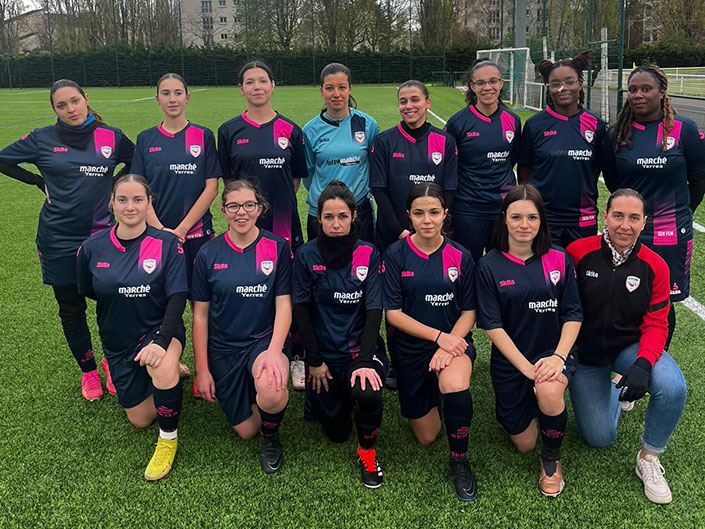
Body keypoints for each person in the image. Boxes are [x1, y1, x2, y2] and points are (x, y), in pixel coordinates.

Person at [0, 79, 134, 401]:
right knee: (71, 308)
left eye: (74, 101)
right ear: (54, 109)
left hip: (103, 238)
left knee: (113, 303)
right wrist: (36, 181)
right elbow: (3, 159)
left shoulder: (111, 137)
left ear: (86, 99)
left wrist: (116, 186)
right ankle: (89, 371)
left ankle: (113, 362)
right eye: (62, 105)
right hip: (57, 239)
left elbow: (137, 160)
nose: (70, 109)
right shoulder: (41, 139)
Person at [566, 188, 687, 505]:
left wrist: (644, 364)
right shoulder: (578, 252)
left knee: (673, 386)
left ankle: (648, 458)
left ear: (644, 222)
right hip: (588, 355)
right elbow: (563, 309)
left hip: (628, 349)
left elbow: (657, 323)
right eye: (618, 215)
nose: (625, 225)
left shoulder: (655, 265)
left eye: (634, 218)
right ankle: (612, 387)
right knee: (599, 438)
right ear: (604, 217)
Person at [76, 174, 188, 481]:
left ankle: (167, 439)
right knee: (140, 419)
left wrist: (163, 341)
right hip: (118, 341)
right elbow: (90, 291)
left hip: (159, 331)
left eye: (138, 199)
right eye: (122, 199)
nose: (130, 206)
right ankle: (162, 376)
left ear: (149, 203)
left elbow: (178, 297)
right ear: (111, 204)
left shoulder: (167, 244)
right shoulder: (91, 248)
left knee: (162, 368)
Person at [475, 184, 582, 497]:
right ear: (504, 219)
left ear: (541, 221)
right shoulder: (488, 266)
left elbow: (573, 315)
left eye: (532, 217)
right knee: (524, 444)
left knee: (549, 392)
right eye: (517, 217)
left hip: (553, 354)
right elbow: (492, 325)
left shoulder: (559, 259)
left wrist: (559, 358)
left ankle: (552, 460)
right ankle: (537, 403)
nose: (524, 225)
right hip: (513, 362)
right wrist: (525, 368)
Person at [383, 183, 477, 502]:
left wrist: (448, 342)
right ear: (408, 215)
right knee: (426, 436)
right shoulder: (395, 255)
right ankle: (433, 395)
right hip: (412, 349)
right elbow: (393, 314)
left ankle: (460, 461)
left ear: (445, 215)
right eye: (419, 213)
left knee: (454, 385)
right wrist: (436, 337)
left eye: (434, 212)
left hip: (453, 345)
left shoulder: (460, 255)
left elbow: (469, 312)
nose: (427, 220)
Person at [191, 179, 293, 475]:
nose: (242, 212)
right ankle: (254, 396)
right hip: (224, 348)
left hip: (264, 341)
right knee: (246, 429)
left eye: (249, 205)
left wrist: (275, 351)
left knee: (272, 390)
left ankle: (271, 438)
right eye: (234, 206)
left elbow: (284, 305)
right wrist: (202, 369)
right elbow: (200, 315)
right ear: (223, 210)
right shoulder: (208, 255)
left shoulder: (277, 247)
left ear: (260, 209)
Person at [218, 61, 307, 390]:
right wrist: (247, 211)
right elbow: (228, 181)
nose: (256, 87)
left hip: (283, 225)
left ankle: (296, 357)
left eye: (262, 81)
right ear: (241, 89)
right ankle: (246, 351)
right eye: (249, 82)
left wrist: (274, 206)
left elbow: (295, 178)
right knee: (248, 286)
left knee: (290, 290)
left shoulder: (290, 130)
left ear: (272, 85)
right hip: (243, 224)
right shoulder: (228, 131)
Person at [601, 64, 705, 346]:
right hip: (627, 230)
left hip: (670, 233)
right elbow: (614, 184)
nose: (638, 95)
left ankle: (654, 358)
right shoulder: (617, 135)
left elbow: (698, 180)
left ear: (661, 92)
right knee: (622, 294)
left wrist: (681, 214)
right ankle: (623, 360)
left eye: (646, 89)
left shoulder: (685, 130)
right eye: (633, 90)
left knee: (662, 303)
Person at [293, 181, 387, 488]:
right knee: (335, 432)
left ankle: (368, 451)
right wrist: (314, 361)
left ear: (354, 216)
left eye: (342, 216)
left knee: (367, 390)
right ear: (318, 218)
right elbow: (302, 311)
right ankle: (338, 402)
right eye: (329, 217)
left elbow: (375, 310)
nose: (336, 224)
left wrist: (364, 360)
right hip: (324, 356)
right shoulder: (306, 255)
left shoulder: (369, 253)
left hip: (360, 350)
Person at [131, 72, 221, 394]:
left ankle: (202, 370)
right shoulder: (145, 140)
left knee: (201, 306)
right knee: (161, 303)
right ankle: (168, 360)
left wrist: (181, 229)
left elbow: (212, 186)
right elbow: (139, 189)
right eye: (165, 93)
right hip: (156, 238)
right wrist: (161, 230)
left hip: (196, 237)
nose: (172, 98)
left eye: (177, 92)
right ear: (157, 99)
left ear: (187, 97)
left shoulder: (202, 136)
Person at [517, 51, 606, 248]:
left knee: (583, 275)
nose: (562, 88)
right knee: (545, 274)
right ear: (548, 88)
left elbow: (596, 168)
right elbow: (524, 171)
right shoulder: (535, 125)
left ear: (580, 84)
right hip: (544, 217)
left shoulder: (596, 125)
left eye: (569, 82)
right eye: (555, 84)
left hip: (583, 217)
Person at [445, 58, 522, 262]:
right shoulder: (458, 123)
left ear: (501, 83)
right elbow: (449, 167)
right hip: (468, 210)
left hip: (503, 209)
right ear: (472, 86)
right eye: (481, 83)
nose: (487, 87)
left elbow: (512, 159)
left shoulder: (513, 121)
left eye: (493, 81)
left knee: (503, 268)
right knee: (468, 267)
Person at [370, 80, 458, 252]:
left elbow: (450, 188)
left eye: (415, 99)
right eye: (403, 102)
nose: (408, 106)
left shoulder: (445, 141)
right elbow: (379, 190)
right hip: (393, 232)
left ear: (428, 103)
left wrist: (432, 226)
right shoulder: (384, 141)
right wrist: (400, 231)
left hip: (431, 232)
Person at [303, 63, 379, 243]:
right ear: (322, 90)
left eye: (342, 87)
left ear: (350, 89)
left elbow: (374, 166)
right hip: (321, 212)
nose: (336, 94)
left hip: (359, 210)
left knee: (361, 267)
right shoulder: (310, 130)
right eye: (330, 88)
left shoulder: (367, 124)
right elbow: (308, 174)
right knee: (320, 266)